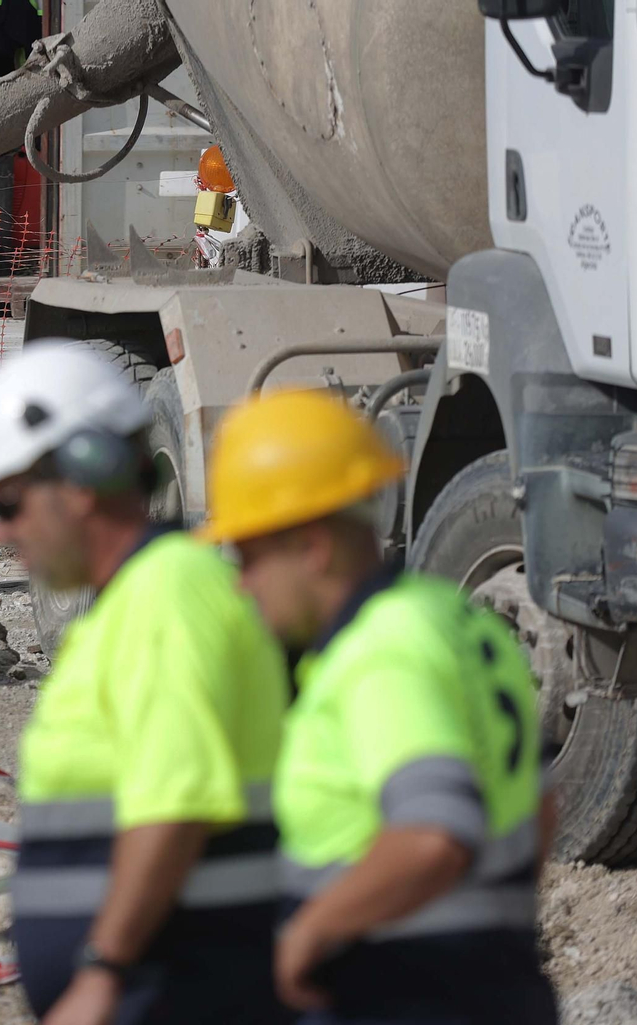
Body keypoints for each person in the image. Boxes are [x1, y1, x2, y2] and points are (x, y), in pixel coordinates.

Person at [199, 388, 557, 1025]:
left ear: (312, 546)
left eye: (250, 558)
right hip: (489, 984)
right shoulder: (457, 621)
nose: (241, 584)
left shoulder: (381, 651)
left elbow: (431, 836)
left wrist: (307, 934)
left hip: (405, 993)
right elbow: (539, 806)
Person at [0, 342, 291, 1025]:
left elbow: (178, 800)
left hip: (176, 988)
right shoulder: (131, 604)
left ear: (80, 480)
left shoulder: (166, 597)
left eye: (10, 502)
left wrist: (103, 971)